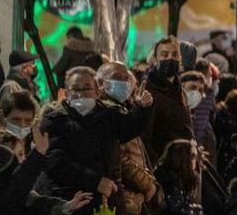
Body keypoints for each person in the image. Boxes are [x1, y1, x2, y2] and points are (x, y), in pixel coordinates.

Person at [40, 65, 154, 212]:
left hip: (109, 200)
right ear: (67, 93)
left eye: (87, 88)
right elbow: (55, 161)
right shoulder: (54, 120)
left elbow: (131, 128)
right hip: (72, 199)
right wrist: (95, 181)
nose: (81, 94)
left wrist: (141, 107)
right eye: (76, 89)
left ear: (97, 92)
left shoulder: (110, 115)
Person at [0, 128, 93, 214]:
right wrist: (37, 155)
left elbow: (38, 202)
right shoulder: (7, 194)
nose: (22, 161)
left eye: (22, 154)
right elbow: (19, 184)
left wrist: (66, 206)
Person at [97, 61, 162, 215]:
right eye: (117, 77)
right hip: (124, 197)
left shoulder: (125, 110)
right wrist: (147, 184)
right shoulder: (105, 113)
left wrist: (143, 108)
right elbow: (121, 160)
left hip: (134, 197)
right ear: (100, 83)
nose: (124, 82)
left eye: (126, 78)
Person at [154, 138, 205, 215]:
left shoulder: (181, 179)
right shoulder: (169, 181)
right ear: (183, 158)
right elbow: (174, 209)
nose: (196, 162)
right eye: (193, 156)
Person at [181, 70, 216, 157]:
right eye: (192, 87)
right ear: (182, 86)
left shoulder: (194, 117)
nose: (196, 93)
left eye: (200, 90)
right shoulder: (174, 112)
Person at [51, 27, 98, 92]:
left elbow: (61, 66)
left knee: (60, 75)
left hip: (73, 80)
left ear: (70, 36)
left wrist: (53, 70)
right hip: (90, 80)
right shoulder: (92, 49)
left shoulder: (70, 47)